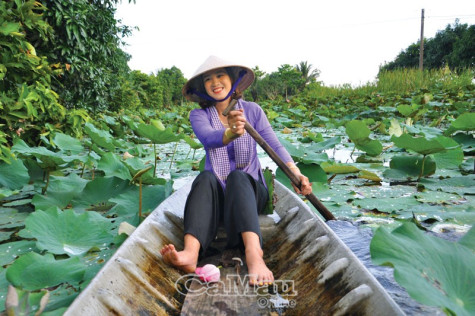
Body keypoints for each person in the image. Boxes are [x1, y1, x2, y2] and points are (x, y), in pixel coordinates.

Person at [160, 56, 312, 286]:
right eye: (208, 79)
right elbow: (209, 138)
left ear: (233, 79)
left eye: (220, 75)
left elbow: (274, 145)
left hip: (249, 193)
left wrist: (296, 173)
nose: (215, 82)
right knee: (204, 178)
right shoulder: (199, 115)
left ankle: (254, 254)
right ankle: (191, 253)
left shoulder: (252, 111)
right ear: (203, 87)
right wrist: (230, 132)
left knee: (238, 177)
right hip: (219, 200)